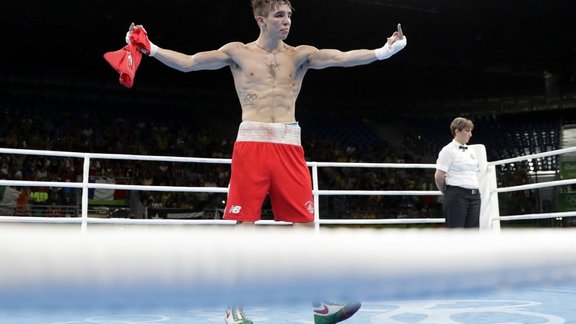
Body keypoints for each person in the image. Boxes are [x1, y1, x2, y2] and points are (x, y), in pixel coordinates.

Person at [125, 0, 407, 322]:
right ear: (261, 19)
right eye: (279, 15)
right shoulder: (237, 52)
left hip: (289, 144)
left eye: (288, 15)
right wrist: (152, 48)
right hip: (253, 143)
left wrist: (383, 52)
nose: (286, 21)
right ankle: (234, 307)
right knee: (245, 225)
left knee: (304, 224)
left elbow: (342, 59)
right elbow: (189, 63)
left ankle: (321, 305)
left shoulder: (300, 54)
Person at [434, 117, 481, 228]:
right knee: (456, 234)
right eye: (467, 131)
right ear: (457, 131)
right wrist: (449, 192)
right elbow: (438, 176)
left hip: (475, 196)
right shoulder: (447, 150)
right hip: (456, 195)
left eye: (471, 131)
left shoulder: (471, 150)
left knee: (473, 234)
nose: (470, 135)